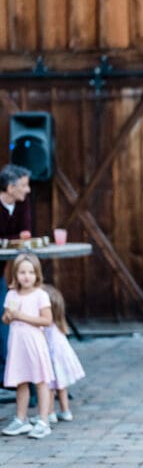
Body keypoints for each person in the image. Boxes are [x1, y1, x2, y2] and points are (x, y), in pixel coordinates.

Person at [1, 253, 54, 439]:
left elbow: (47, 320)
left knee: (40, 381)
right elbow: (6, 318)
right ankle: (21, 418)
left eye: (31, 272)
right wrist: (9, 316)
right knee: (21, 381)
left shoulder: (40, 295)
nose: (26, 276)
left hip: (34, 344)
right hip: (18, 345)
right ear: (16, 275)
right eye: (22, 272)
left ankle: (43, 420)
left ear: (37, 274)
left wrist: (21, 316)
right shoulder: (11, 294)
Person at [0, 164, 32, 369]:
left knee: (5, 316)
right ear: (10, 188)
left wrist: (9, 240)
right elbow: (18, 237)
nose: (27, 190)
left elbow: (26, 233)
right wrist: (15, 239)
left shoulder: (22, 204)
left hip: (0, 270)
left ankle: (9, 371)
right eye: (23, 186)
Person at [43, 284, 85, 422]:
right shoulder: (58, 325)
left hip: (52, 359)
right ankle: (65, 410)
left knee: (49, 387)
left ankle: (50, 413)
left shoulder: (46, 326)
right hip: (61, 359)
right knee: (61, 386)